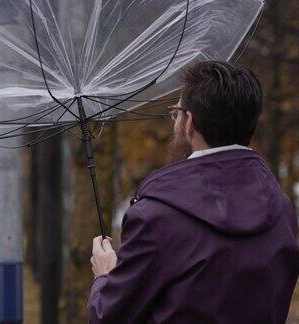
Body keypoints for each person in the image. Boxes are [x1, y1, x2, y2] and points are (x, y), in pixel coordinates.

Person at [88, 61, 299, 323]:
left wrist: (106, 278)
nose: (174, 121)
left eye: (176, 112)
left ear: (189, 122)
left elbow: (108, 318)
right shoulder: (283, 209)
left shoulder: (155, 217)